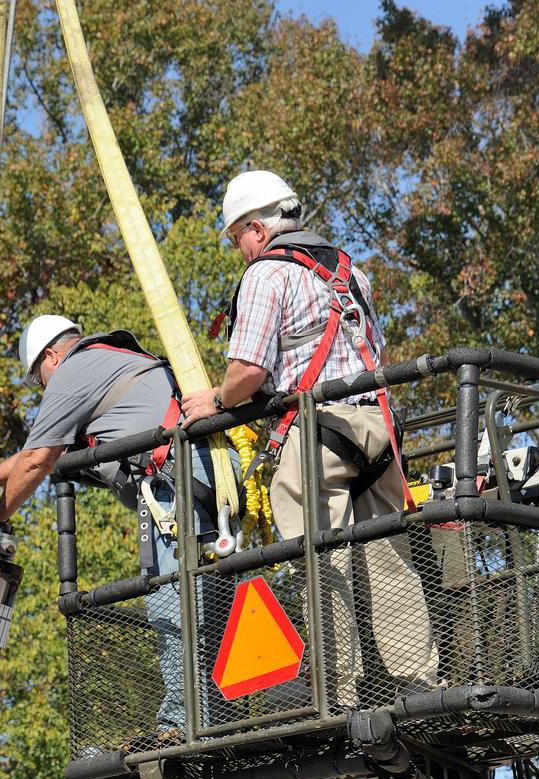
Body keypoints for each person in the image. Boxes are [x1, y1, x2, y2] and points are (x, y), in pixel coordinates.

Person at [181, 171, 440, 707]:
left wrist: (218, 401)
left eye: (237, 238)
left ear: (257, 229)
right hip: (377, 430)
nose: (239, 250)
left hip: (316, 436)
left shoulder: (265, 274)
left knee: (322, 562)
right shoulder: (350, 272)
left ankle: (340, 696)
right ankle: (420, 686)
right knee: (391, 563)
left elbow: (249, 371)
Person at [0, 314, 231, 738]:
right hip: (206, 471)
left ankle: (183, 725)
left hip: (175, 483)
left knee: (173, 604)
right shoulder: (107, 362)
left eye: (38, 378)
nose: (42, 388)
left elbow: (37, 460)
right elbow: (42, 456)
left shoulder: (71, 372)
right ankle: (218, 719)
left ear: (51, 357)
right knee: (208, 602)